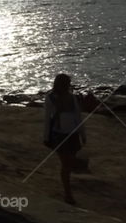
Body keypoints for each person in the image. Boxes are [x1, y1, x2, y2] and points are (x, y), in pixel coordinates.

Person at [43, 73, 86, 205]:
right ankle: (68, 194)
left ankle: (68, 191)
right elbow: (47, 118)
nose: (67, 86)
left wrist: (82, 134)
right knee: (66, 164)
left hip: (72, 134)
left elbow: (78, 116)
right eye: (66, 84)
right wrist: (46, 136)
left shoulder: (72, 98)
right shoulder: (50, 98)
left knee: (69, 163)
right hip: (59, 134)